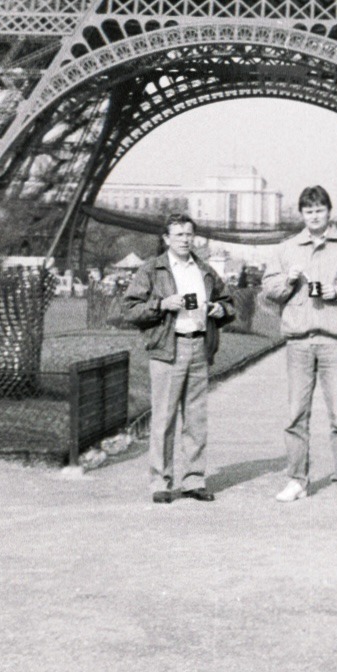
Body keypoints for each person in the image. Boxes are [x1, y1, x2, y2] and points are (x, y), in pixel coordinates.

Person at [261, 185, 337, 504]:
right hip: (299, 341)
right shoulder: (286, 249)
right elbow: (269, 287)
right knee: (296, 414)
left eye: (319, 210)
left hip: (335, 340)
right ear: (302, 214)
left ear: (329, 212)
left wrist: (336, 292)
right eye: (308, 211)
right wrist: (287, 280)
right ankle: (297, 479)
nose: (314, 216)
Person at [121, 213, 235, 504]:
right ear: (166, 239)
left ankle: (194, 480)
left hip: (199, 346)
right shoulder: (151, 270)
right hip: (168, 349)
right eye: (178, 235)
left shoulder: (205, 270)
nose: (184, 239)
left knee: (196, 420)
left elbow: (228, 303)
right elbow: (130, 309)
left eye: (188, 234)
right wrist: (161, 304)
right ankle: (160, 481)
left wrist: (220, 311)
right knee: (164, 418)